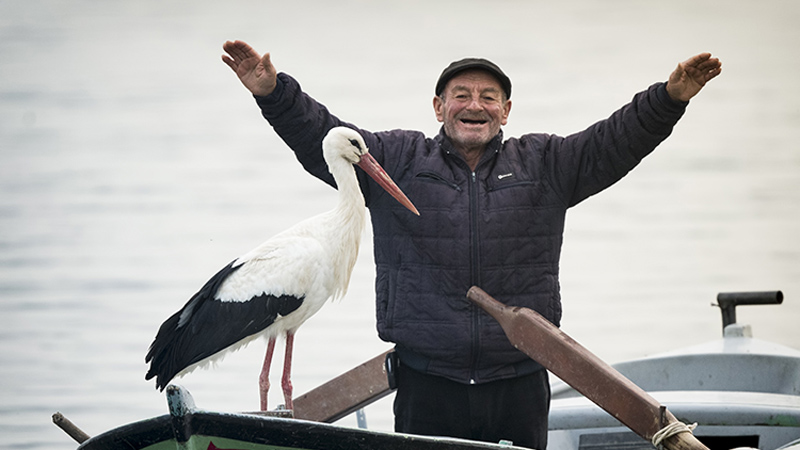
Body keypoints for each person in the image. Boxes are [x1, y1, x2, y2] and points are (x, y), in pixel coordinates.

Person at [221, 40, 721, 449]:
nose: (474, 105)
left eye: (488, 96)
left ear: (506, 110)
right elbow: (322, 138)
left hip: (520, 378)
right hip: (427, 382)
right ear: (438, 107)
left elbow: (615, 141)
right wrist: (272, 92)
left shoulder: (546, 163)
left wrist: (670, 97)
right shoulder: (396, 158)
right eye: (460, 94)